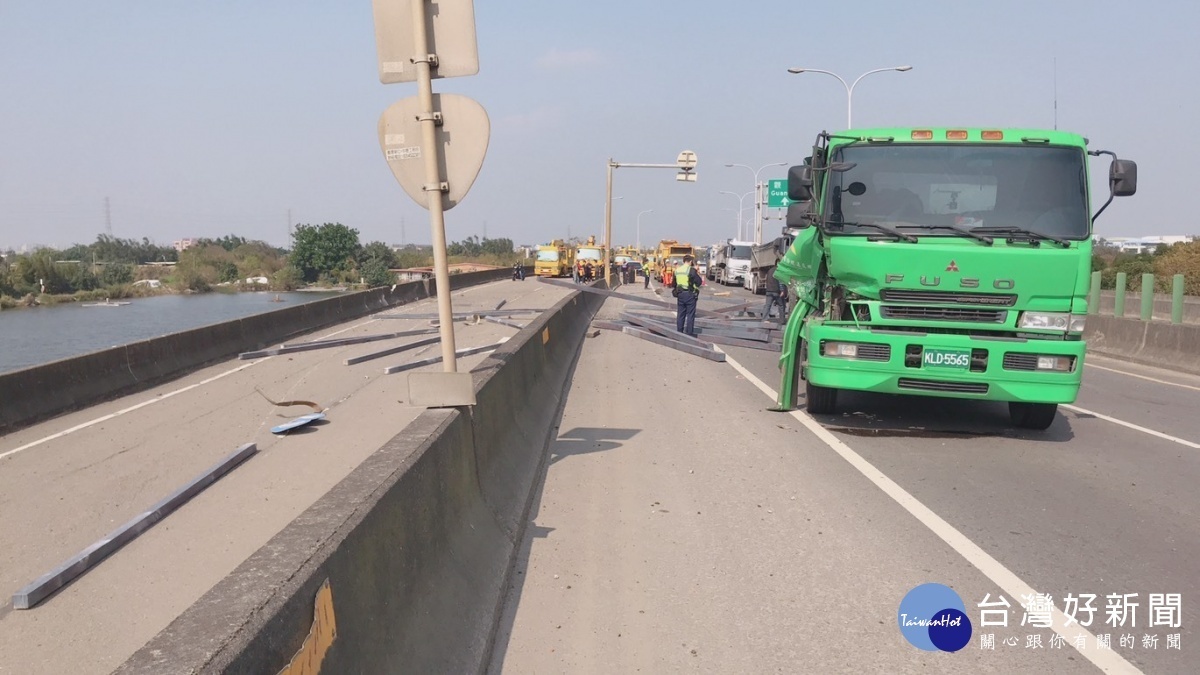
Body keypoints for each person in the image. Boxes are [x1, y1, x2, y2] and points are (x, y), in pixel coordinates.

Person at [673, 254, 703, 336]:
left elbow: (673, 284)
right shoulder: (691, 270)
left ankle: (679, 332)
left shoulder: (677, 270)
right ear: (690, 261)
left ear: (683, 261)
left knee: (680, 314)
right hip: (690, 294)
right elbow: (699, 282)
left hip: (680, 294)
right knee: (690, 315)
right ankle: (689, 334)